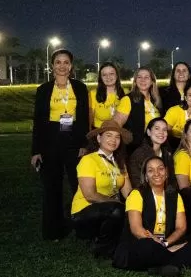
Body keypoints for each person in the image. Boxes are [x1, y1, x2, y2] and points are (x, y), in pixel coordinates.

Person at [113, 156, 191, 277]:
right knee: (147, 246)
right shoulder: (136, 194)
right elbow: (137, 230)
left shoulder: (175, 196)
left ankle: (160, 266)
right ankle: (180, 260)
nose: (156, 173)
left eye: (160, 169)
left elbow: (181, 228)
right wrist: (161, 245)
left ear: (166, 172)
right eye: (150, 170)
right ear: (145, 176)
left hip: (166, 242)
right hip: (142, 243)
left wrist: (165, 244)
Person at [32, 48, 91, 240]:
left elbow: (84, 118)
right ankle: (53, 231)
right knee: (52, 187)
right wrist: (36, 151)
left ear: (71, 66)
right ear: (52, 66)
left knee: (78, 185)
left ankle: (83, 228)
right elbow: (38, 122)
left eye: (66, 62)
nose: (62, 66)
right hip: (50, 141)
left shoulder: (80, 88)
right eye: (58, 62)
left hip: (74, 141)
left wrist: (84, 143)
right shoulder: (44, 90)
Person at [69, 120, 133, 255]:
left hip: (111, 209)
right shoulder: (88, 160)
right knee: (117, 210)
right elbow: (90, 195)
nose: (113, 140)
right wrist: (117, 203)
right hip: (84, 211)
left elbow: (128, 193)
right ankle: (102, 249)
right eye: (108, 135)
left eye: (117, 137)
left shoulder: (120, 163)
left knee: (129, 210)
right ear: (99, 138)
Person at [112, 67, 161, 154]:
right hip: (136, 150)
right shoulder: (127, 99)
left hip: (156, 148)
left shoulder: (156, 100)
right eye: (139, 77)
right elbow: (115, 126)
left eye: (146, 77)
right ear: (135, 81)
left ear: (152, 81)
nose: (143, 80)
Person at [127, 117, 173, 188]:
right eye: (157, 128)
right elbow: (137, 182)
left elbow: (171, 179)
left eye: (164, 129)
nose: (161, 132)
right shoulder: (139, 154)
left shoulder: (167, 153)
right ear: (148, 132)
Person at [88, 61, 124, 129]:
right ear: (100, 78)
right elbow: (90, 119)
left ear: (116, 75)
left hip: (119, 132)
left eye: (111, 74)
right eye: (104, 75)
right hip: (99, 132)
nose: (108, 77)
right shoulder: (92, 94)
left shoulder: (125, 93)